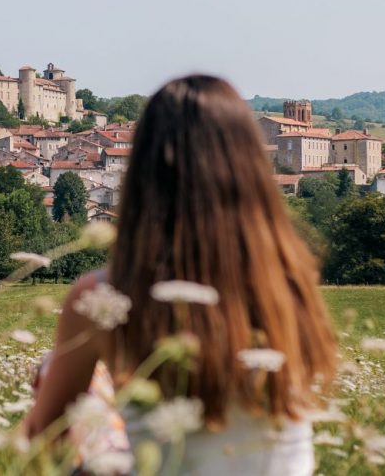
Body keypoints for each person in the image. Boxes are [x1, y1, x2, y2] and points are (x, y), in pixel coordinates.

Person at [22, 75, 338, 475]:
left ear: (143, 171)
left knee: (54, 370)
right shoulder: (291, 283)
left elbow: (45, 442)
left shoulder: (105, 297)